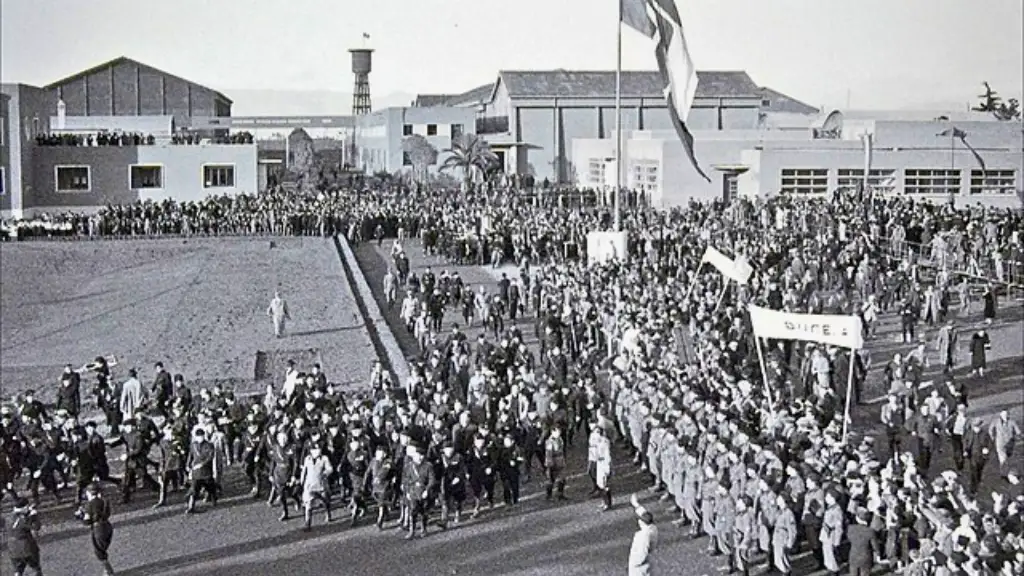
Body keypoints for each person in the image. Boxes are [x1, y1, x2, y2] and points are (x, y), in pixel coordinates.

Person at [82, 483, 116, 576]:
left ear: (89, 493)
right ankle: (108, 570)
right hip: (108, 526)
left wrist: (80, 515)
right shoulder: (104, 501)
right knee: (103, 548)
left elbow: (87, 521)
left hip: (98, 529)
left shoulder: (89, 505)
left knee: (99, 551)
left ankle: (108, 571)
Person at [299, 444, 333, 530]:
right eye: (314, 449)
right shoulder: (307, 459)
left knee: (326, 501)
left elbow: (330, 469)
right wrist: (301, 481)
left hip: (321, 485)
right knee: (308, 504)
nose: (317, 451)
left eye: (318, 449)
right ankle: (308, 523)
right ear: (311, 451)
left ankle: (328, 513)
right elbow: (304, 471)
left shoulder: (324, 458)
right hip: (309, 485)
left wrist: (325, 473)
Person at [6, 496, 42, 576]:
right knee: (36, 568)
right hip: (26, 547)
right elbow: (36, 527)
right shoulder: (24, 519)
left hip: (12, 547)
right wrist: (34, 516)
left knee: (18, 569)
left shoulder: (8, 518)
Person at [185, 428, 218, 514]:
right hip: (196, 472)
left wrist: (202, 464)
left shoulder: (209, 445)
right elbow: (190, 455)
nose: (200, 438)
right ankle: (191, 507)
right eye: (198, 436)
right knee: (194, 489)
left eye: (202, 436)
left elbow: (210, 457)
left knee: (210, 487)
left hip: (206, 471)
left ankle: (214, 499)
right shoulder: (193, 445)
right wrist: (188, 465)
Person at [628, 494, 658, 576]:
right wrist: (636, 504)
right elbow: (644, 514)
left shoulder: (644, 536)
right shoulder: (652, 527)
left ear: (641, 522)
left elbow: (642, 554)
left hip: (641, 568)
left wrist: (635, 564)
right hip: (649, 562)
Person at [846, 508, 880, 576]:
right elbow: (875, 547)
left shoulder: (850, 528)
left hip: (853, 556)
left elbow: (849, 539)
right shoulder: (870, 531)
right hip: (866, 557)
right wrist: (878, 553)